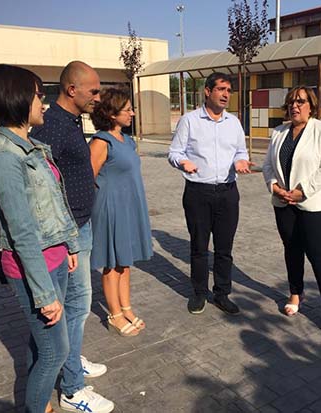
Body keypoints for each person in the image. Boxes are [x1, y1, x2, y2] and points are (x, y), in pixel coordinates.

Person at [0, 64, 79, 413]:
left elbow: (51, 203)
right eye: (39, 94)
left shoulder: (32, 146)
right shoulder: (4, 158)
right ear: (19, 97)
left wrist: (67, 244)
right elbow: (21, 233)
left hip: (52, 259)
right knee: (57, 351)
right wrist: (43, 293)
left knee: (42, 346)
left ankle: (41, 405)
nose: (45, 103)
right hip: (32, 269)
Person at [30, 61, 113, 413]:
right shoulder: (50, 127)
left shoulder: (72, 122)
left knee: (77, 307)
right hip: (67, 232)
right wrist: (65, 236)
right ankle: (72, 388)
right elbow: (43, 187)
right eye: (93, 91)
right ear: (71, 90)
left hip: (80, 226)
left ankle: (71, 362)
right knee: (73, 307)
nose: (98, 96)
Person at [168, 72, 252, 316]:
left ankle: (222, 293)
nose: (226, 94)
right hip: (198, 192)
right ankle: (199, 293)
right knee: (199, 247)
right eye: (221, 89)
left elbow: (241, 152)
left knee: (224, 248)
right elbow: (174, 152)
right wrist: (183, 162)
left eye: (229, 90)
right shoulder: (190, 120)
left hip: (227, 193)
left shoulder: (234, 123)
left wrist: (241, 162)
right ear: (207, 91)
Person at [262, 86, 321, 335]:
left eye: (300, 101)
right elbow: (267, 165)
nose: (294, 106)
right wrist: (274, 186)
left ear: (311, 105)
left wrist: (302, 190)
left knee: (320, 257)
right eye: (291, 102)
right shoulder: (279, 132)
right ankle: (295, 294)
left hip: (314, 204)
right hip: (284, 204)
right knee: (292, 251)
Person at [89, 87, 153, 336]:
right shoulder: (100, 141)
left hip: (130, 206)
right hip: (110, 209)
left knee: (125, 262)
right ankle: (114, 314)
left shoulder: (128, 140)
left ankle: (126, 307)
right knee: (111, 264)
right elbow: (88, 179)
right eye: (128, 110)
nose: (133, 113)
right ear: (112, 113)